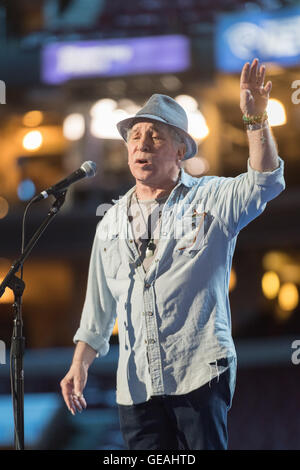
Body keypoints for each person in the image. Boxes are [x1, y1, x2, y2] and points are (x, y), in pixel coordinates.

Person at [60, 58, 285, 450]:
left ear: (180, 149)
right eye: (135, 136)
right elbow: (98, 310)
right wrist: (79, 362)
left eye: (155, 136)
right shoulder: (110, 220)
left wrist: (255, 119)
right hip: (137, 389)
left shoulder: (212, 198)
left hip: (198, 374)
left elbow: (264, 181)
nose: (142, 144)